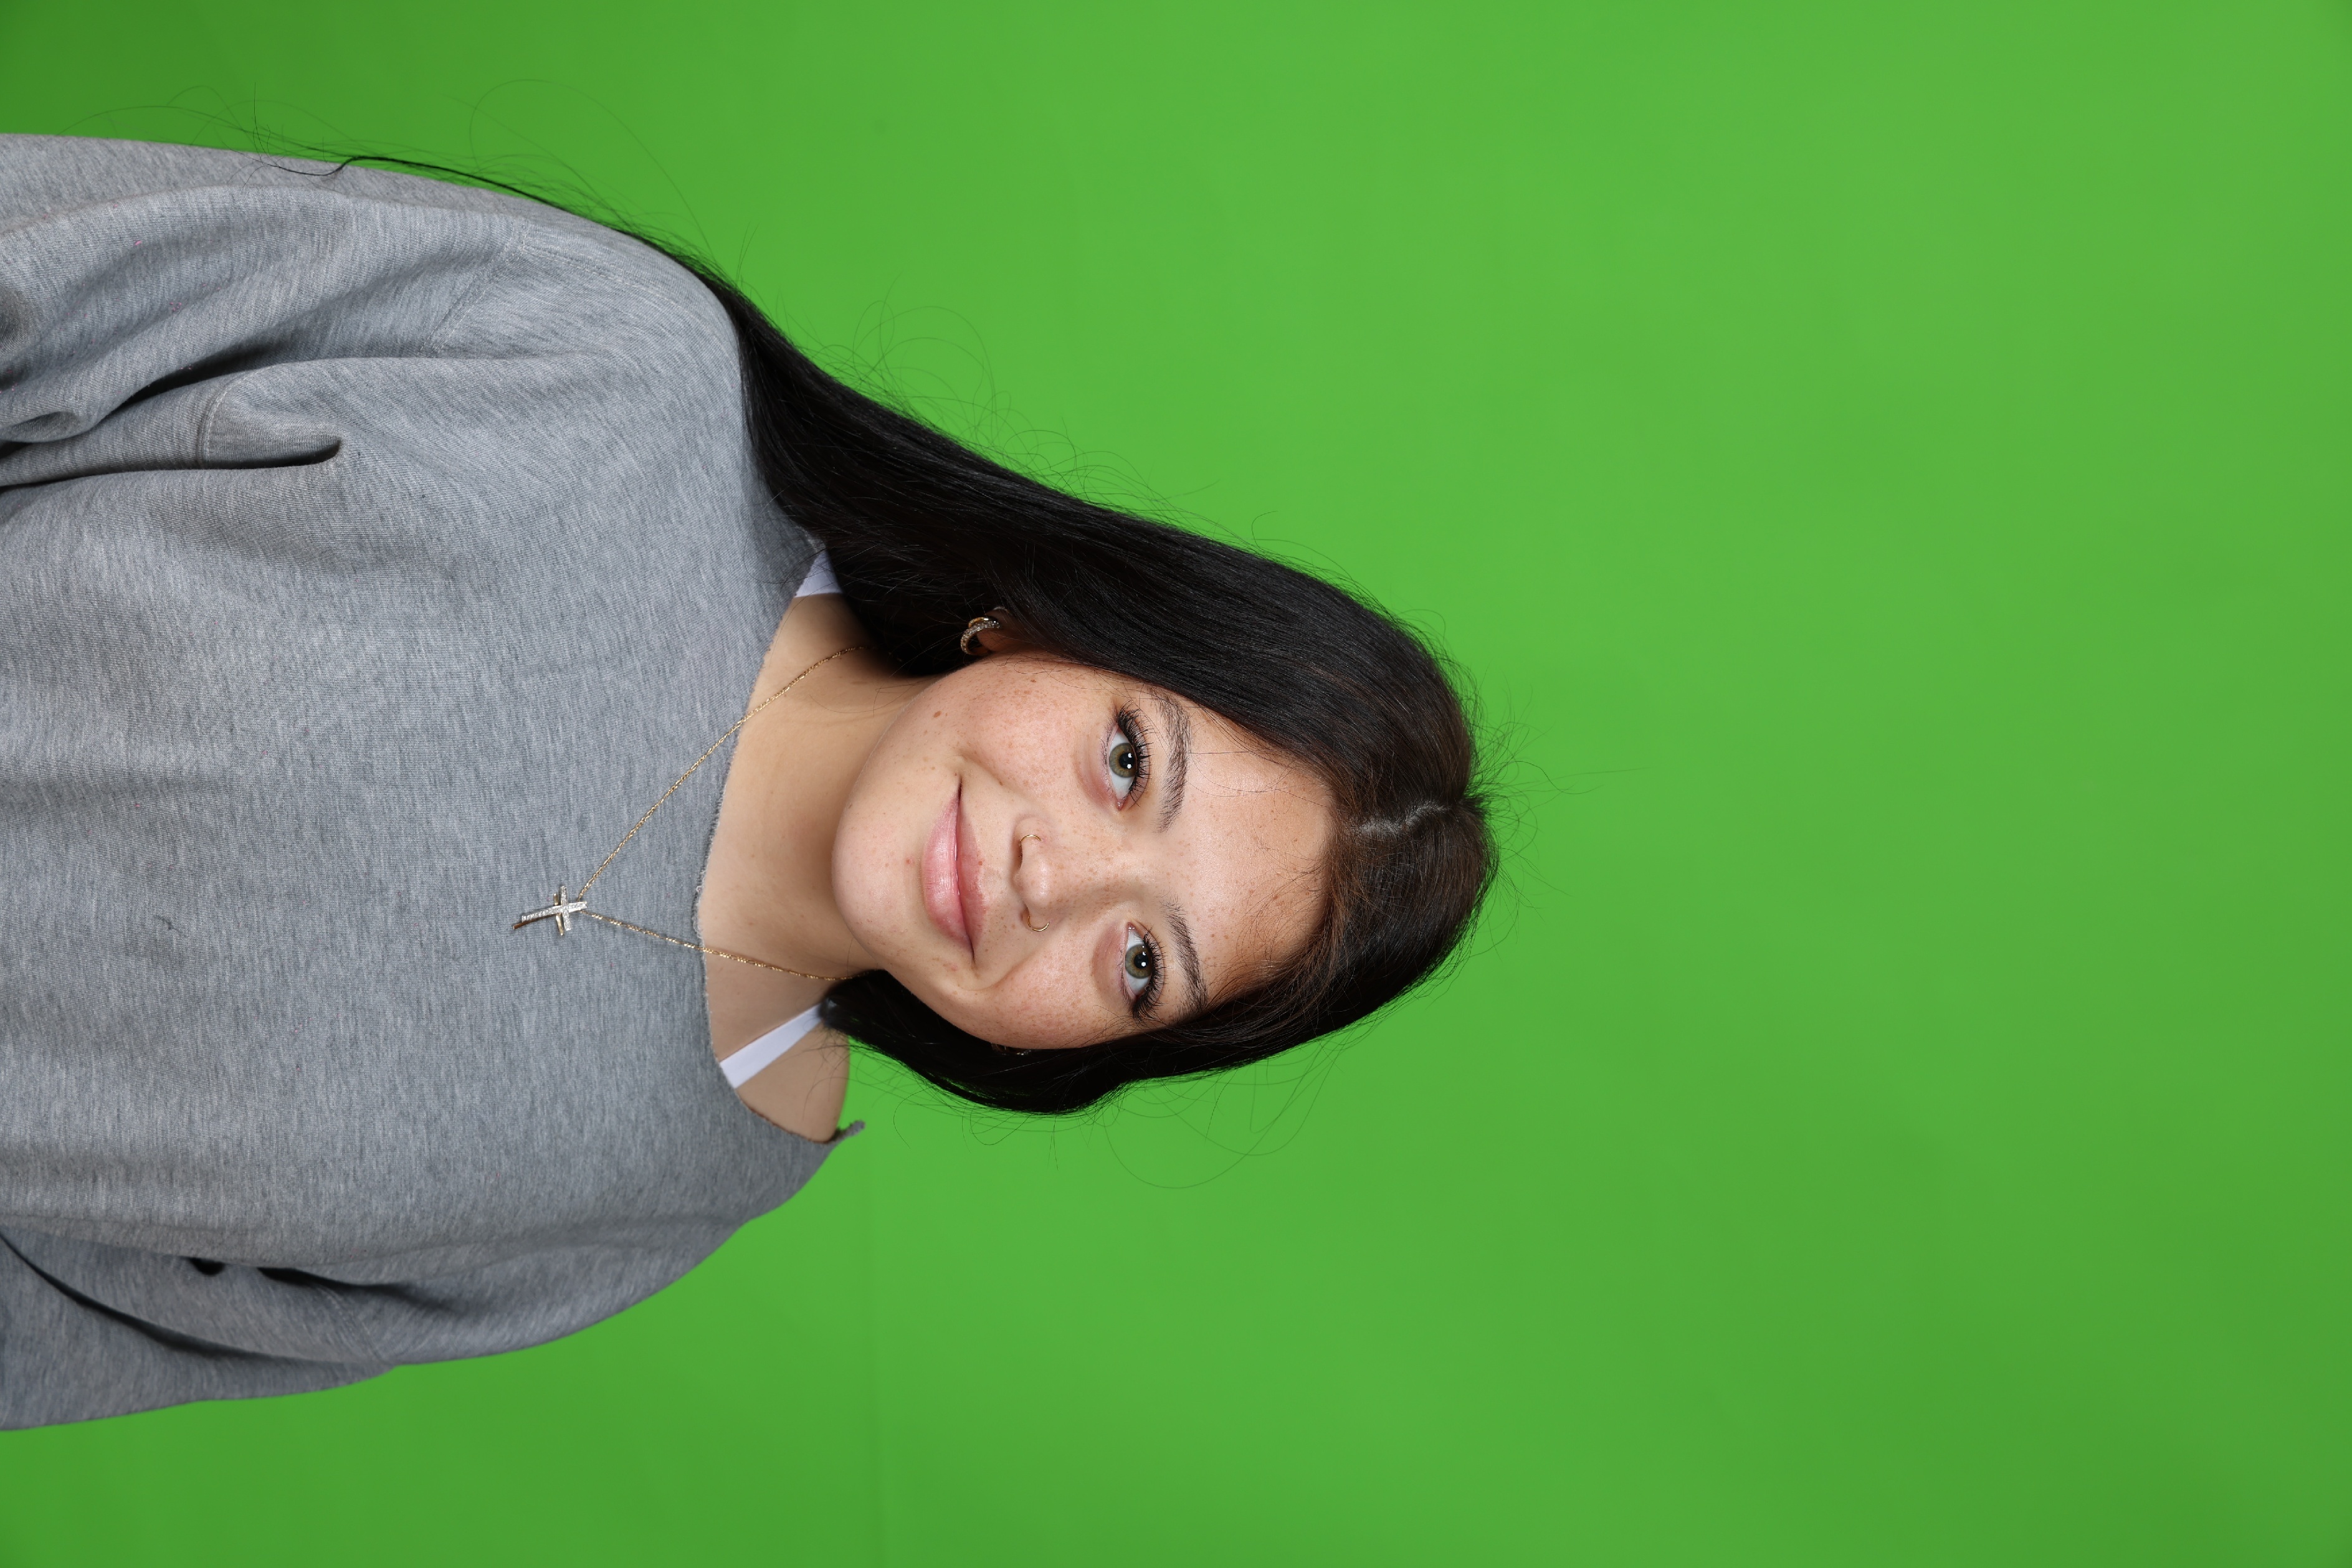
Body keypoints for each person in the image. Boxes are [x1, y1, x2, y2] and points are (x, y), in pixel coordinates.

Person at [0, 134, 1493, 1428]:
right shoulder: (609, 373)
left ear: (1091, 1052)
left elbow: (80, 1324)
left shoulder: (688, 1183)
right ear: (1058, 622)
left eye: (1144, 960)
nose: (1057, 877)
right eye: (1127, 761)